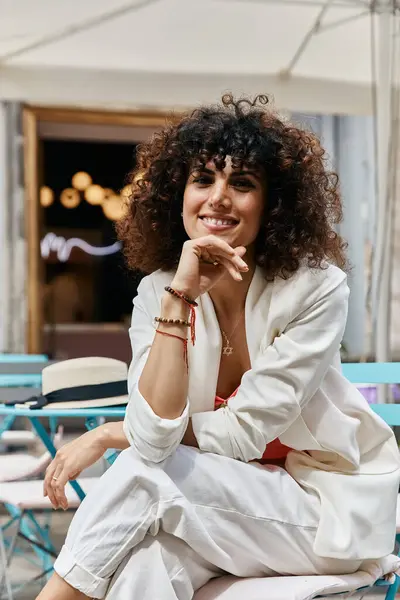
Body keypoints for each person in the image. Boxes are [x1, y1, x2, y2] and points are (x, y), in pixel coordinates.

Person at [37, 95, 400, 600]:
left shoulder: (315, 289)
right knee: (148, 562)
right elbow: (155, 432)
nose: (219, 197)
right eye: (202, 179)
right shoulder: (158, 291)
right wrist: (181, 298)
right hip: (221, 510)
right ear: (177, 195)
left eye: (243, 183)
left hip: (317, 512)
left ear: (274, 205)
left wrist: (110, 434)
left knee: (146, 473)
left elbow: (242, 433)